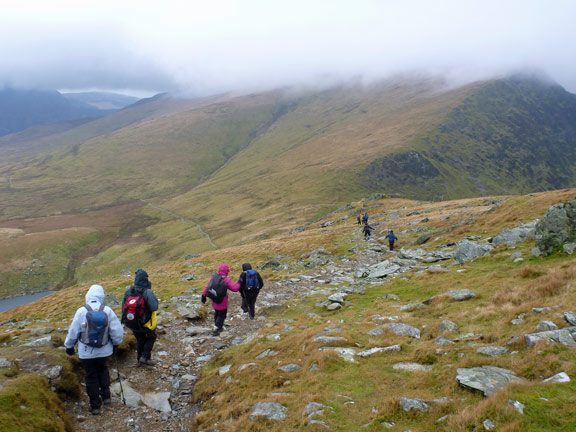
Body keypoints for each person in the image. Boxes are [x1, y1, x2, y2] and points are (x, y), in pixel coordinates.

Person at [64, 284, 124, 415]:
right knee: (103, 370)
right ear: (101, 296)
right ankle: (106, 397)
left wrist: (69, 346)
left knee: (91, 376)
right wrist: (116, 343)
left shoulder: (81, 311)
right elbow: (117, 331)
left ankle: (95, 405)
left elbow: (74, 331)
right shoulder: (107, 310)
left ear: (88, 296)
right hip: (105, 350)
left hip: (86, 352)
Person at [122, 269, 159, 367]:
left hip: (132, 322)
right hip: (145, 322)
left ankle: (139, 359)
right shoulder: (147, 292)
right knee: (151, 337)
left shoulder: (129, 290)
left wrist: (124, 320)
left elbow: (123, 307)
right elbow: (154, 307)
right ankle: (145, 357)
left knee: (140, 339)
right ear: (145, 279)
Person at [201, 264, 240, 336]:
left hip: (214, 301)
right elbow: (235, 289)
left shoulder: (214, 277)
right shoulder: (226, 280)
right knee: (222, 315)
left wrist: (203, 295)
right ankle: (216, 329)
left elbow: (208, 287)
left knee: (217, 314)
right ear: (226, 271)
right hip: (222, 302)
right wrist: (239, 282)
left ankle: (218, 326)